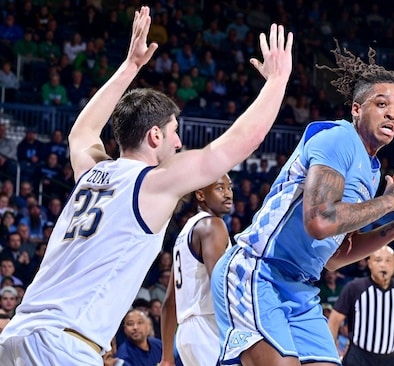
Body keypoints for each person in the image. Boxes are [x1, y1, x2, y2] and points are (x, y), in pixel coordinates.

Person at [0, 7, 294, 365]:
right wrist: (277, 81)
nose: (179, 142)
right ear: (155, 135)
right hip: (62, 346)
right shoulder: (151, 186)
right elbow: (236, 144)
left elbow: (82, 132)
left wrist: (129, 67)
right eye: (175, 132)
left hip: (18, 334)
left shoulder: (93, 173)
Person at [211, 41, 394, 365]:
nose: (392, 112)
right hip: (258, 269)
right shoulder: (338, 139)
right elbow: (319, 221)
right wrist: (391, 201)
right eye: (382, 103)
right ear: (356, 109)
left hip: (301, 286)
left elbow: (333, 258)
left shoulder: (372, 172)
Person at [160, 174, 233, 366]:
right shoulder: (212, 225)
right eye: (220, 188)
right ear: (200, 195)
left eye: (229, 187)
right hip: (208, 328)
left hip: (186, 334)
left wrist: (167, 357)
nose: (228, 194)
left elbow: (169, 302)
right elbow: (220, 283)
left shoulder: (185, 232)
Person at [328, 246, 394, 366]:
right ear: (370, 264)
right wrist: (331, 354)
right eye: (378, 260)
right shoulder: (355, 287)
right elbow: (334, 321)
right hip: (358, 357)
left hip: (388, 359)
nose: (383, 265)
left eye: (388, 260)